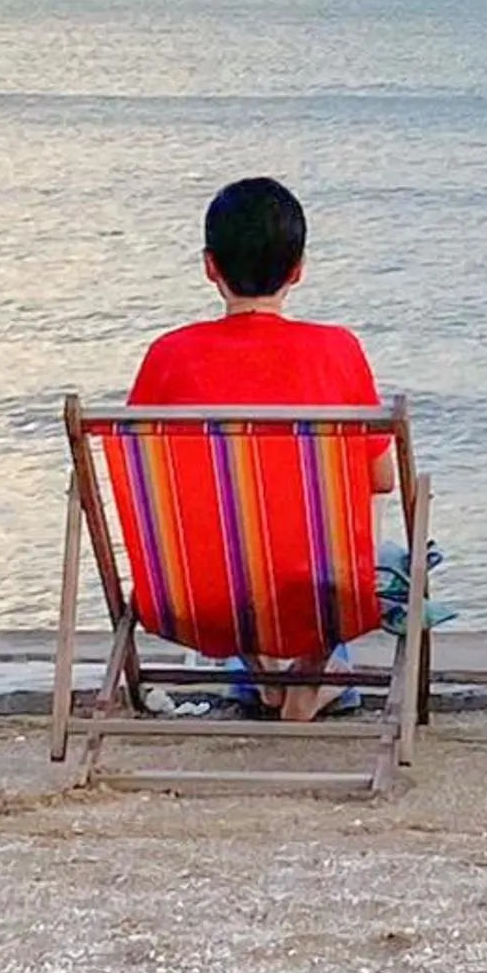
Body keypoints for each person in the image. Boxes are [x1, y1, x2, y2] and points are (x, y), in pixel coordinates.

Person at [127, 176, 394, 722]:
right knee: (340, 554)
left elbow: (142, 486)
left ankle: (268, 677)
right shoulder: (337, 351)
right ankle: (311, 672)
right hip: (322, 592)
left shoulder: (169, 356)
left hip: (196, 593)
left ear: (209, 267)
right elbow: (384, 477)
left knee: (228, 537)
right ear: (298, 270)